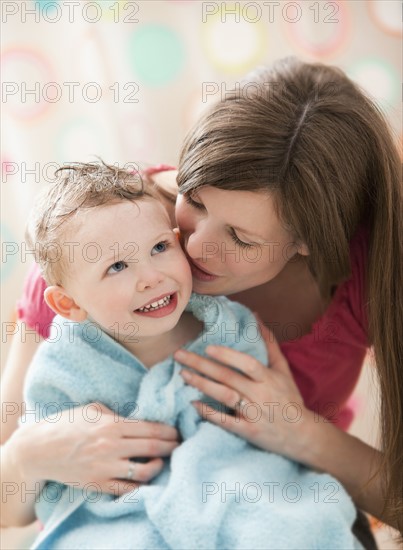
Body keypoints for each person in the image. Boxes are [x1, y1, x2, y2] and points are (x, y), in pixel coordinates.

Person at [1, 57, 401, 542]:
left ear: (308, 242)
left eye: (240, 237)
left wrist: (302, 433)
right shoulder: (94, 239)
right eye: (195, 199)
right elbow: (7, 510)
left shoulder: (371, 269)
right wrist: (29, 455)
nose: (193, 248)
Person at [2, 160, 362, 549]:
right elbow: (36, 487)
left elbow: (258, 440)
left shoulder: (227, 328)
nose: (152, 277)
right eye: (118, 266)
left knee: (299, 524)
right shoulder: (64, 364)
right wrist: (29, 459)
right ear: (67, 303)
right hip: (113, 511)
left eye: (159, 247)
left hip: (235, 484)